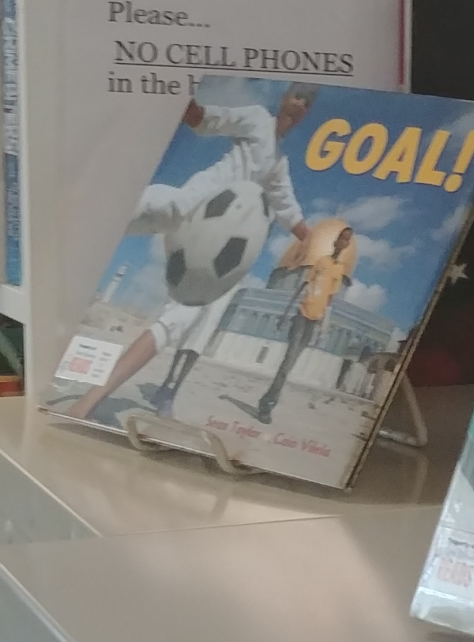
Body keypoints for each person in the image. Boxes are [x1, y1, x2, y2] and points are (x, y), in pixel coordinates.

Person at [70, 88, 315, 424]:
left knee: (178, 321)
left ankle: (87, 402)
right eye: (298, 96)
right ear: (285, 96)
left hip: (209, 249)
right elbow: (206, 120)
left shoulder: (279, 165)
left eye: (307, 103)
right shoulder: (258, 118)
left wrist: (314, 241)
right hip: (187, 206)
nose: (300, 104)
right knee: (103, 219)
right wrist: (178, 93)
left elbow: (288, 208)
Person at [253, 217, 358, 425]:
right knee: (288, 362)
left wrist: (323, 325)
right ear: (335, 241)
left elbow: (330, 298)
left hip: (313, 321)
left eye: (347, 239)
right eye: (342, 238)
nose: (344, 242)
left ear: (347, 245)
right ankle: (267, 405)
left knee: (290, 364)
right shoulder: (321, 262)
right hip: (301, 316)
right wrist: (285, 315)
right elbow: (303, 286)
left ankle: (266, 400)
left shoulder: (339, 270)